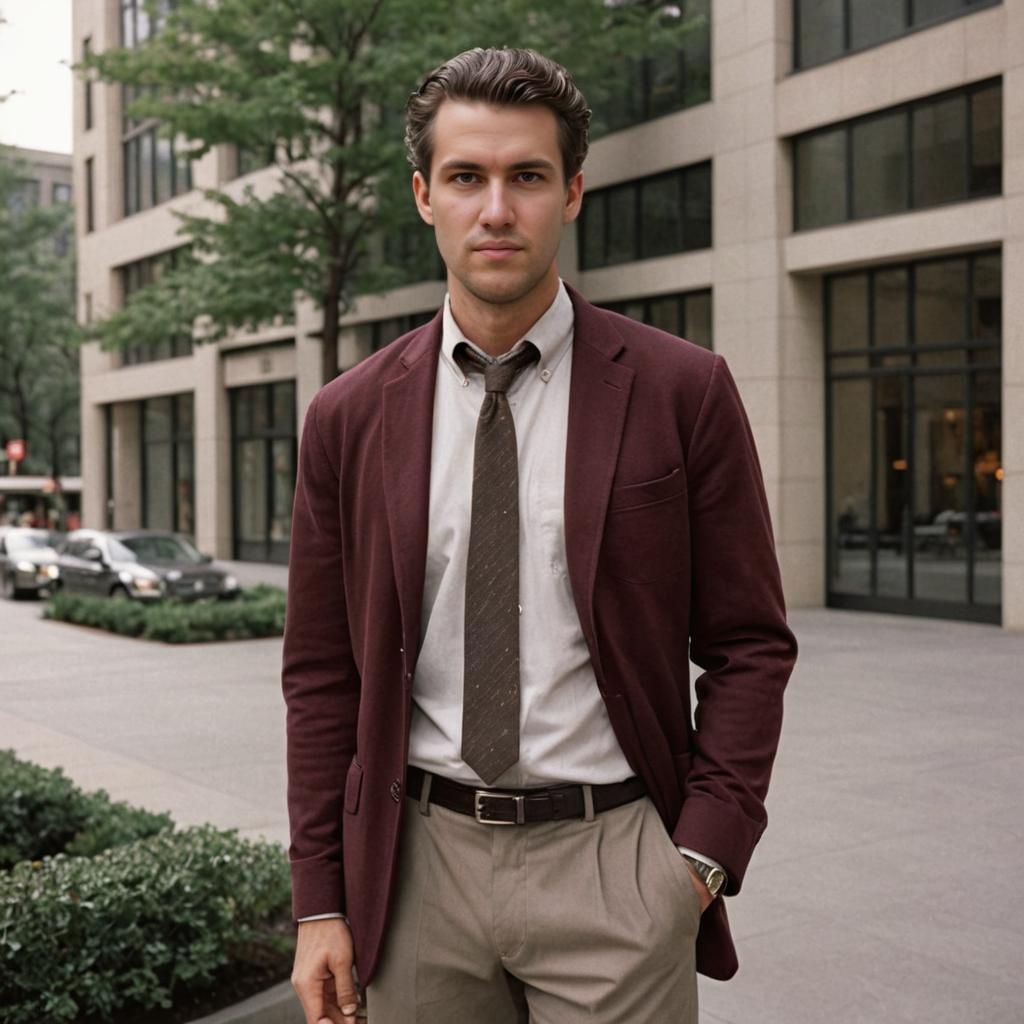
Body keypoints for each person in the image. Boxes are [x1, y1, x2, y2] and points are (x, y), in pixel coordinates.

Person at [283, 46, 798, 1024]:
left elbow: (749, 644)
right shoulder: (347, 418)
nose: (495, 209)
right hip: (415, 866)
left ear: (571, 192)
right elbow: (320, 676)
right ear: (423, 194)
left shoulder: (681, 390)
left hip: (614, 860)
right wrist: (319, 899)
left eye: (525, 177)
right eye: (467, 177)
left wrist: (698, 857)